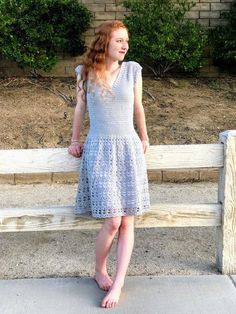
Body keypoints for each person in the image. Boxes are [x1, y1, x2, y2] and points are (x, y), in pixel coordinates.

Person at [68, 20, 150, 309]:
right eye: (118, 40)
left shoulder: (133, 71)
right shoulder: (85, 72)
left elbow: (138, 107)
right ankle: (100, 270)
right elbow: (80, 108)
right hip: (100, 149)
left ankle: (119, 282)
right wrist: (75, 139)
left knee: (127, 220)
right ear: (104, 43)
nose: (125, 45)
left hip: (128, 148)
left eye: (126, 40)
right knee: (113, 220)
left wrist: (144, 137)